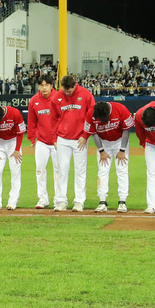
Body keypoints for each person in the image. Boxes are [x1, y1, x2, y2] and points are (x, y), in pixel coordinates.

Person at [80, 101, 134, 213]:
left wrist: (122, 150)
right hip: (103, 142)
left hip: (120, 141)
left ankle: (122, 201)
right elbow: (93, 133)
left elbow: (126, 130)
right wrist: (101, 150)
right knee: (102, 170)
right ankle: (102, 201)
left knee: (122, 170)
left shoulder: (120, 109)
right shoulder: (91, 113)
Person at [51, 75, 95, 212]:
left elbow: (91, 117)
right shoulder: (56, 98)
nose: (67, 93)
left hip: (80, 139)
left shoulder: (86, 95)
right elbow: (53, 119)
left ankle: (79, 201)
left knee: (80, 171)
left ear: (75, 85)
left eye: (69, 90)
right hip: (62, 139)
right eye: (65, 90)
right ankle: (60, 201)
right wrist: (54, 138)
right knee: (62, 170)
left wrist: (85, 135)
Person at [0, 105, 26, 210]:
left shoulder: (14, 113)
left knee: (15, 172)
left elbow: (20, 133)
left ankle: (12, 202)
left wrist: (17, 149)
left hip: (13, 141)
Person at [26, 75, 58, 209]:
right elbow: (32, 120)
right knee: (40, 170)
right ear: (38, 86)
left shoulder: (58, 98)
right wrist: (31, 137)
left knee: (58, 171)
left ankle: (59, 199)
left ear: (51, 86)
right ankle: (43, 199)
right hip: (42, 141)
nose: (44, 88)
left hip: (58, 141)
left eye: (47, 85)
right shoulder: (34, 100)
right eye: (41, 85)